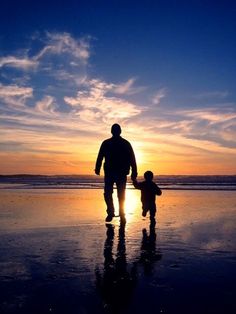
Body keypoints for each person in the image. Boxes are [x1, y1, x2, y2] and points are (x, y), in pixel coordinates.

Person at [95, 123, 137, 222]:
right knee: (109, 193)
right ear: (112, 131)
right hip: (110, 172)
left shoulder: (125, 143)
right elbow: (100, 156)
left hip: (121, 172)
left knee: (119, 194)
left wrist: (134, 171)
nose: (115, 132)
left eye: (116, 130)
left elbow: (132, 158)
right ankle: (111, 212)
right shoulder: (106, 143)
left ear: (119, 131)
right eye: (114, 130)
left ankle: (121, 213)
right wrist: (97, 167)